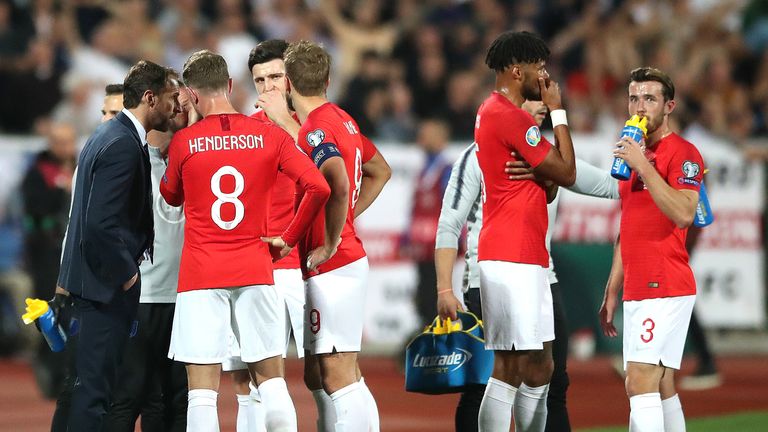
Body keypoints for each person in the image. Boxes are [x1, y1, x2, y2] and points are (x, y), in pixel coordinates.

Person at [160, 49, 330, 432]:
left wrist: (186, 132)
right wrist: (287, 239)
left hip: (201, 273)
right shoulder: (269, 134)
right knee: (271, 383)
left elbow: (170, 196)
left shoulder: (185, 142)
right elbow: (318, 186)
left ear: (191, 93)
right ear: (231, 85)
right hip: (256, 266)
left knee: (202, 394)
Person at [54, 60, 181, 432]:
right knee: (95, 394)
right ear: (149, 97)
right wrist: (128, 274)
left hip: (92, 286)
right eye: (171, 99)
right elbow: (99, 223)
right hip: (104, 291)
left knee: (93, 390)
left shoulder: (106, 136)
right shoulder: (123, 144)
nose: (175, 109)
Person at [473, 31, 577, 432]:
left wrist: (541, 173)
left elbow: (550, 187)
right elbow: (566, 172)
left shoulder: (494, 112)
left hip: (528, 255)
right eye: (538, 67)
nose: (545, 76)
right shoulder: (509, 116)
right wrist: (558, 113)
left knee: (542, 363)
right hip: (510, 254)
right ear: (518, 71)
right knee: (510, 365)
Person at [283, 40, 384, 432]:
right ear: (327, 79)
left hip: (333, 264)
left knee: (338, 374)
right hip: (343, 261)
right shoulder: (343, 118)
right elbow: (381, 170)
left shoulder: (313, 131)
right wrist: (345, 223)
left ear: (289, 83)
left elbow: (338, 182)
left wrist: (330, 238)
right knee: (334, 372)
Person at [599, 67, 705, 432]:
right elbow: (627, 226)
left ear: (669, 105)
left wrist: (643, 166)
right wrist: (613, 286)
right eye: (634, 98)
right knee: (660, 385)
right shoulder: (633, 154)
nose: (639, 106)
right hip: (640, 284)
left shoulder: (684, 153)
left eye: (649, 98)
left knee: (638, 381)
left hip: (665, 281)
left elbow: (684, 213)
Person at [104, 80, 194, 432]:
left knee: (176, 399)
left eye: (186, 103)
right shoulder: (128, 157)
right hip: (140, 297)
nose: (181, 109)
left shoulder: (196, 157)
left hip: (185, 297)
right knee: (128, 398)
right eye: (175, 101)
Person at [21, 122, 77, 398]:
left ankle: (69, 371)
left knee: (72, 314)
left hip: (75, 254)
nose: (65, 148)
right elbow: (34, 213)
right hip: (47, 255)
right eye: (60, 142)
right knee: (48, 311)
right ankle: (50, 370)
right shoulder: (37, 174)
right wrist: (60, 192)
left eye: (69, 141)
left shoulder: (82, 166)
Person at [403, 119, 453, 328]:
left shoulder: (445, 170)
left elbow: (452, 207)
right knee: (423, 291)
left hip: (438, 244)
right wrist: (406, 237)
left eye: (427, 134)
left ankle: (440, 334)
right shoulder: (424, 169)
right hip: (422, 244)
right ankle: (427, 330)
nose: (421, 138)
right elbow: (416, 208)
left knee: (436, 290)